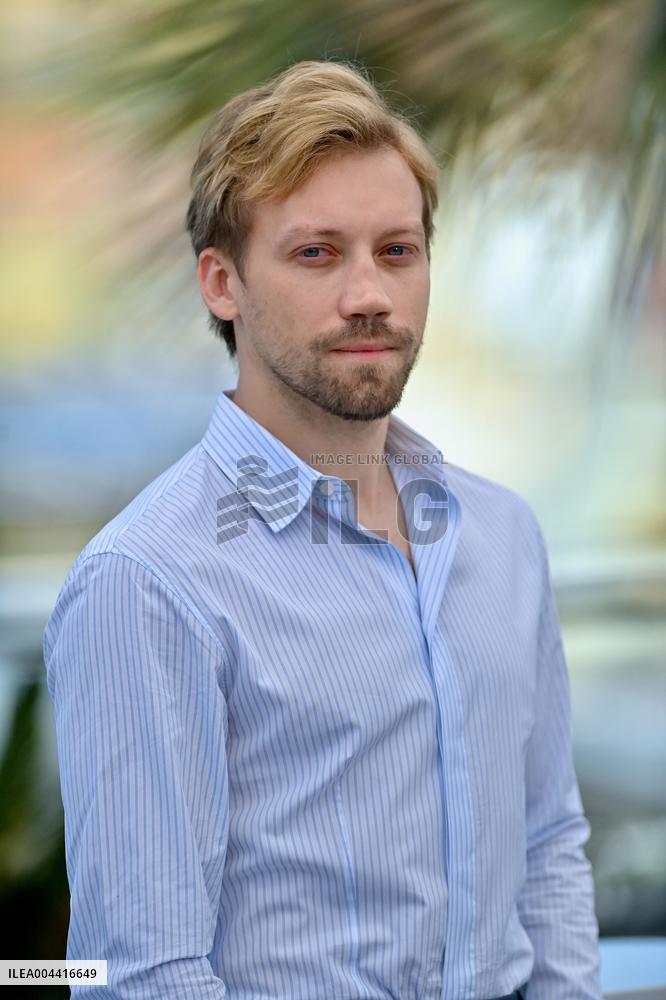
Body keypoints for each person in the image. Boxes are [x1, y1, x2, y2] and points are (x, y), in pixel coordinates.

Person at [43, 59, 602, 999]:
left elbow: (547, 848)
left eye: (397, 251)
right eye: (315, 254)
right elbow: (146, 972)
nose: (369, 296)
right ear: (222, 284)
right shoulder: (148, 580)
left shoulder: (503, 536)